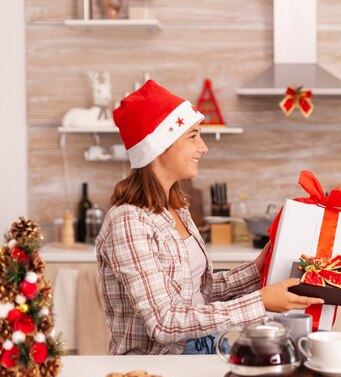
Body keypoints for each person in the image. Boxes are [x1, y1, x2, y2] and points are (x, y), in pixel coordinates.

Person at [95, 80, 323, 355]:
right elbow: (164, 323)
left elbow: (198, 295)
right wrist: (260, 303)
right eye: (193, 136)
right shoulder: (129, 221)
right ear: (161, 145)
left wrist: (256, 270)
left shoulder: (176, 208)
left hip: (207, 346)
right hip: (156, 369)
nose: (203, 147)